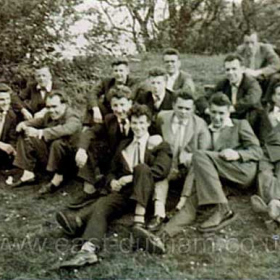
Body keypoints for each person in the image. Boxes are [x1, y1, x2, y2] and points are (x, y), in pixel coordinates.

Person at [138, 93, 263, 252]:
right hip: (220, 181)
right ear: (209, 111)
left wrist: (238, 154)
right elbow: (199, 163)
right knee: (191, 203)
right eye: (214, 112)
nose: (217, 117)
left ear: (229, 112)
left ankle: (223, 209)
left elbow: (258, 151)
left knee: (199, 154)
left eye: (221, 113)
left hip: (242, 172)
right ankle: (160, 237)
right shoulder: (206, 131)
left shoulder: (240, 125)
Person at [56, 104, 172, 267]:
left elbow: (161, 170)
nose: (137, 127)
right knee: (102, 206)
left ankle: (139, 226)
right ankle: (88, 250)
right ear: (130, 124)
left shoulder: (160, 145)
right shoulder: (124, 144)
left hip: (147, 193)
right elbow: (112, 170)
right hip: (123, 194)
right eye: (134, 123)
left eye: (141, 123)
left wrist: (131, 178)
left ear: (148, 124)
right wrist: (113, 181)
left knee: (142, 168)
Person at [147, 90, 211, 231]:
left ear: (193, 109)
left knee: (196, 164)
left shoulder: (200, 125)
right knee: (161, 169)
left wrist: (190, 155)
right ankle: (158, 213)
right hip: (168, 165)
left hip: (187, 169)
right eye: (180, 107)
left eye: (187, 109)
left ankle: (180, 205)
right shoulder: (162, 117)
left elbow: (204, 154)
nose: (183, 112)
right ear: (174, 105)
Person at [68, 86, 134, 209]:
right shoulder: (110, 119)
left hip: (132, 160)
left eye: (122, 105)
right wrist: (81, 150)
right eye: (115, 105)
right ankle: (89, 190)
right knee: (90, 145)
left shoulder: (138, 118)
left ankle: (108, 188)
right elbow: (90, 132)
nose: (119, 110)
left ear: (130, 103)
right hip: (113, 158)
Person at [10, 91, 82, 195]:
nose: (51, 110)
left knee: (57, 143)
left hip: (70, 160)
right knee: (26, 133)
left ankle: (57, 179)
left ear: (64, 105)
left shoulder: (73, 117)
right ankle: (28, 174)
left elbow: (65, 129)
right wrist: (25, 123)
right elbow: (40, 121)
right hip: (53, 153)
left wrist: (41, 132)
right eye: (48, 107)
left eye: (54, 106)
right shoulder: (50, 115)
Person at [196, 53, 263, 136]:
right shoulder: (224, 83)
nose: (230, 72)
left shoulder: (251, 83)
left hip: (247, 119)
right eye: (227, 69)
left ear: (242, 69)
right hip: (228, 117)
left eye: (234, 69)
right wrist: (207, 110)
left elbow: (252, 99)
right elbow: (203, 98)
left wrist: (232, 108)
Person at [251, 83, 280, 226]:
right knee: (264, 173)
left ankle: (275, 204)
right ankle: (271, 203)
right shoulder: (264, 113)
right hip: (266, 151)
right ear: (274, 97)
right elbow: (255, 133)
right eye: (279, 94)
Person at [84, 58, 138, 125]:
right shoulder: (107, 82)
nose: (118, 74)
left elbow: (133, 98)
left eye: (121, 71)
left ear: (127, 71)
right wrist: (96, 109)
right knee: (93, 103)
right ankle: (87, 127)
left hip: (126, 112)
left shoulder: (135, 83)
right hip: (109, 111)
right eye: (116, 71)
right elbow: (92, 93)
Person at [236, 31, 280, 100]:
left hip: (264, 78)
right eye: (247, 43)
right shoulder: (240, 50)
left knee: (275, 78)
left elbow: (277, 64)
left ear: (257, 42)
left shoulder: (265, 48)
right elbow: (235, 65)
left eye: (253, 43)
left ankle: (265, 100)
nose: (250, 46)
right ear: (243, 43)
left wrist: (259, 72)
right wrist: (244, 70)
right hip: (247, 79)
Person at [0, 84, 17, 171]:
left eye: (8, 99)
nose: (6, 102)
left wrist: (12, 149)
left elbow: (12, 137)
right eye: (2, 100)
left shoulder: (11, 115)